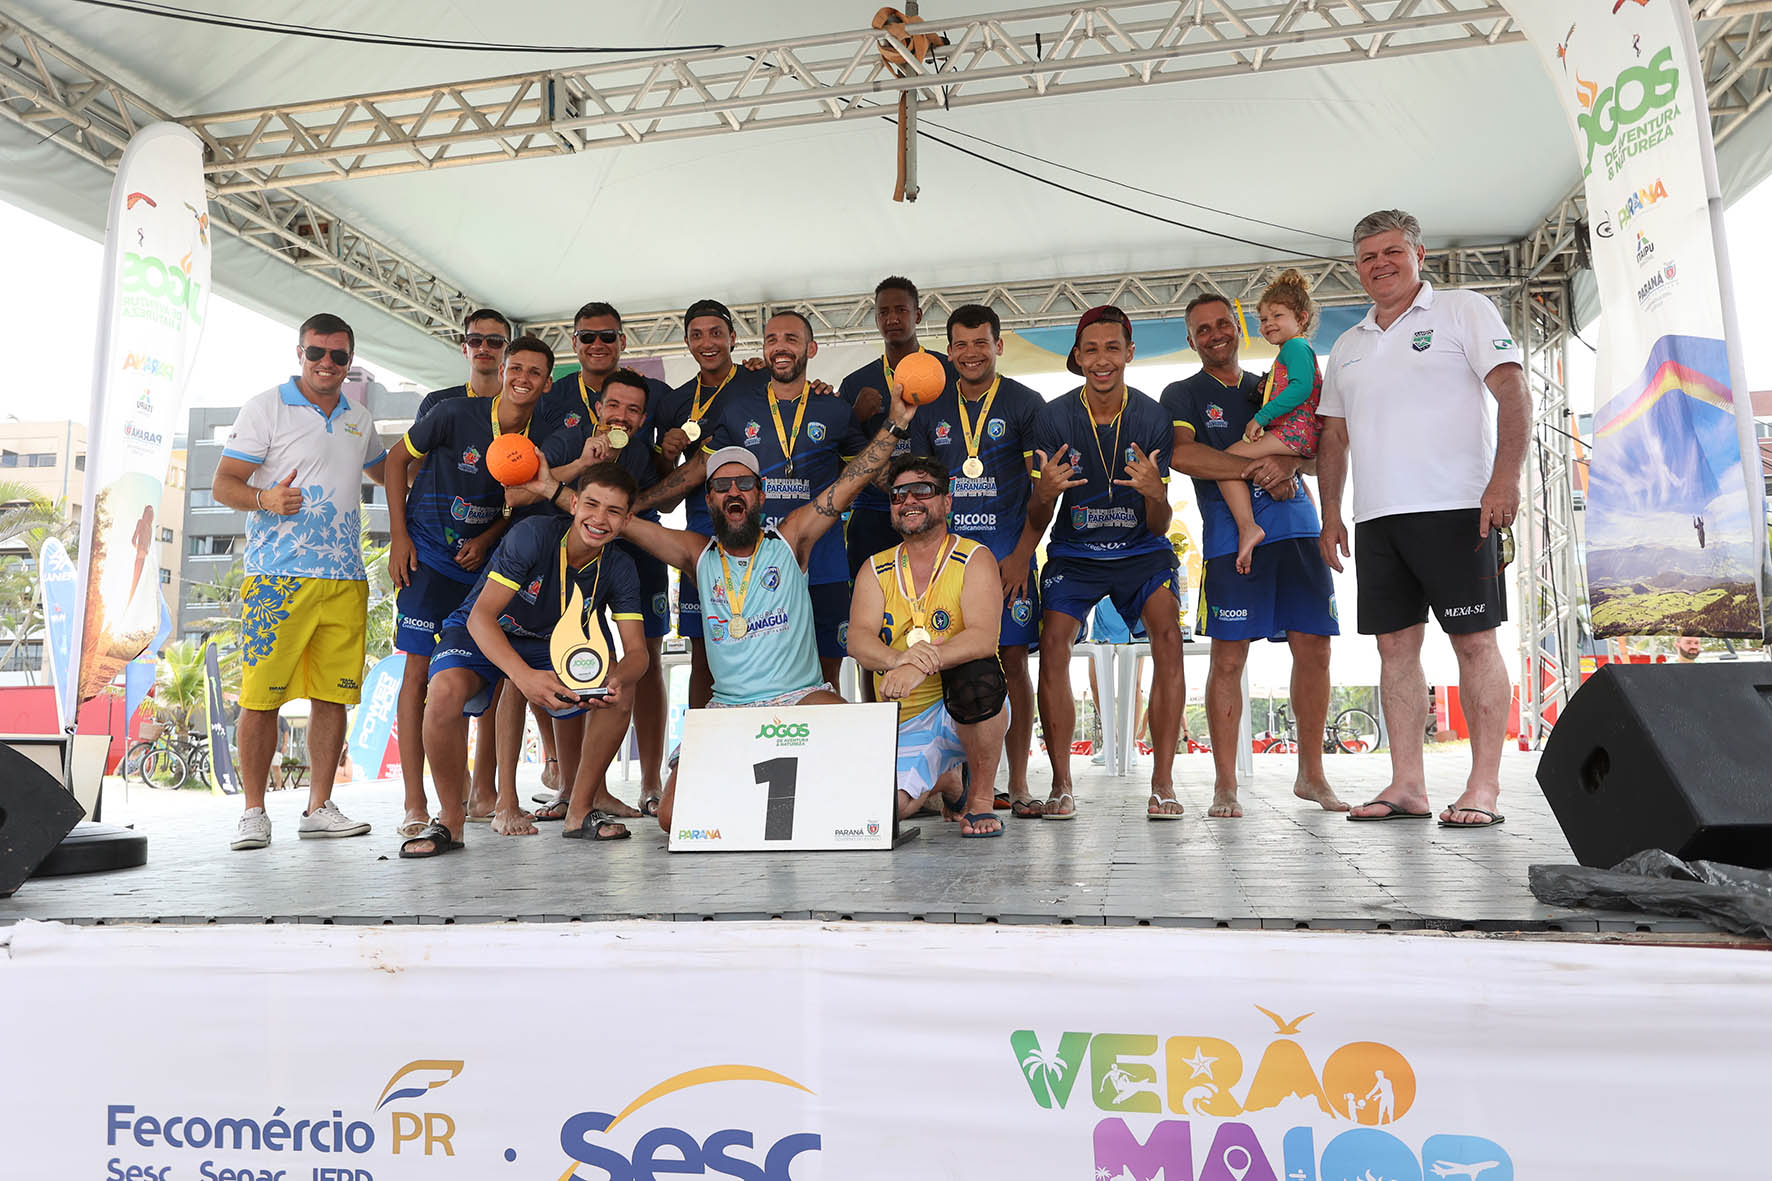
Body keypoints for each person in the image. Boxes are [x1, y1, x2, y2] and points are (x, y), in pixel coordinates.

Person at [605, 381, 919, 832]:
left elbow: (853, 481)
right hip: (729, 707)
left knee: (874, 795)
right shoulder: (697, 554)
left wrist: (895, 424)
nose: (733, 492)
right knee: (672, 819)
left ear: (760, 493)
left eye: (744, 484)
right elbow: (622, 522)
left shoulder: (790, 538)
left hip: (802, 698)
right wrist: (568, 491)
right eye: (721, 486)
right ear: (708, 498)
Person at [1317, 209, 1529, 829]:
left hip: (1459, 507)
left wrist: (1505, 478)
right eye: (1367, 258)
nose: (1380, 265)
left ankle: (1483, 786)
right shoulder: (1350, 344)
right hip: (1377, 518)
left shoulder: (1464, 309)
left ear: (1419, 254)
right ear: (1356, 268)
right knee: (1394, 650)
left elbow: (1512, 390)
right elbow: (1333, 438)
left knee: (1474, 642)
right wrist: (1331, 514)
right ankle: (1408, 784)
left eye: (1392, 252)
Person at [401, 463, 650, 855]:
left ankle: (579, 810)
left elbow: (638, 653)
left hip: (550, 643)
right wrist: (524, 676)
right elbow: (483, 617)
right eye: (592, 504)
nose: (599, 519)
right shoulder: (533, 535)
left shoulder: (619, 567)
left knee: (623, 692)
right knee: (443, 693)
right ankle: (450, 820)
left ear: (627, 519)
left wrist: (619, 676)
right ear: (573, 503)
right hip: (482, 628)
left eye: (614, 511)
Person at [1164, 292, 1347, 819]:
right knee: (1228, 658)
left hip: (1298, 531)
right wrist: (1257, 467)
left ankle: (1311, 774)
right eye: (1202, 329)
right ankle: (1225, 785)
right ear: (1191, 339)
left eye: (1223, 323)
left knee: (1314, 649)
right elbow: (1182, 456)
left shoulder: (1276, 382)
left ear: (1240, 327)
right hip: (1231, 541)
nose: (1215, 333)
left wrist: (1289, 466)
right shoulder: (1183, 392)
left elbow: (1317, 452)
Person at [212, 313, 388, 850]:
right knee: (260, 699)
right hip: (277, 578)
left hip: (344, 577)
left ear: (350, 361)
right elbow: (223, 484)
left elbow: (390, 472)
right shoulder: (265, 407)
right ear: (299, 353)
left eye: (338, 356)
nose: (326, 364)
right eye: (316, 353)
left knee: (332, 698)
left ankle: (318, 806)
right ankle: (253, 812)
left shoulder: (360, 417)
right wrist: (266, 498)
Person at [635, 310, 869, 688]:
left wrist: (891, 422)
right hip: (756, 565)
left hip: (823, 561)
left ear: (811, 347)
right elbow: (698, 468)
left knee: (827, 670)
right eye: (772, 339)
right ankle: (706, 747)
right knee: (728, 667)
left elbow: (865, 471)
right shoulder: (740, 410)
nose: (780, 346)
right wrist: (634, 506)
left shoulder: (834, 408)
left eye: (790, 339)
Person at [385, 333, 551, 837]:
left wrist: (489, 537)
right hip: (428, 559)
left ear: (547, 384)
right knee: (418, 676)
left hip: (483, 567)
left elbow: (521, 502)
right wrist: (398, 536)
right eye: (515, 367)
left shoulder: (541, 437)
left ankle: (485, 793)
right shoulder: (457, 413)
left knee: (493, 675)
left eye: (534, 373)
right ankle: (417, 802)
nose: (522, 378)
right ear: (502, 369)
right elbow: (395, 460)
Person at [1027, 305, 1185, 820]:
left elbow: (1160, 525)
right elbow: (1038, 515)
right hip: (1076, 552)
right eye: (1091, 350)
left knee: (1167, 635)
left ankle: (1162, 783)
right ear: (1077, 356)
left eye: (1112, 348)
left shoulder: (1153, 418)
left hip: (1141, 549)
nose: (1102, 360)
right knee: (1054, 642)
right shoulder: (1052, 418)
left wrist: (1155, 493)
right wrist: (1046, 491)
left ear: (1129, 353)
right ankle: (1061, 784)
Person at [530, 304, 674, 816]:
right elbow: (529, 482)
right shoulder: (566, 424)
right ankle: (573, 787)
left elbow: (668, 492)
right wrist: (578, 468)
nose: (624, 416)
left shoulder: (646, 429)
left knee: (643, 662)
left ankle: (651, 780)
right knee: (566, 658)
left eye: (608, 336)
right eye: (588, 337)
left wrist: (671, 458)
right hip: (573, 562)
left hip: (637, 556)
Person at [912, 304, 1045, 815]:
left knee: (1010, 661)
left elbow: (1042, 492)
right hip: (944, 565)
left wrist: (1020, 557)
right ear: (948, 351)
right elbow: (920, 488)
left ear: (998, 346)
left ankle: (1017, 782)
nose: (971, 353)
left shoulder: (1025, 403)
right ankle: (956, 783)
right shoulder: (930, 409)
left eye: (981, 343)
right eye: (961, 345)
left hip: (1008, 558)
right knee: (941, 659)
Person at [849, 456, 1009, 837]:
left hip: (965, 711)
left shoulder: (974, 557)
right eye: (898, 495)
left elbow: (983, 636)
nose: (909, 501)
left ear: (947, 502)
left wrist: (919, 665)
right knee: (883, 811)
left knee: (979, 674)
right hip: (907, 718)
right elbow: (858, 639)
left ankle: (981, 800)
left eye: (922, 490)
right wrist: (897, 658)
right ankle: (949, 782)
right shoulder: (876, 567)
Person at [654, 299, 770, 715]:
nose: (708, 343)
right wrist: (667, 456)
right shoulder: (674, 402)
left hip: (755, 529)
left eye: (716, 333)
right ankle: (699, 747)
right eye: (698, 334)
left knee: (767, 637)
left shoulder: (760, 382)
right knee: (705, 648)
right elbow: (665, 494)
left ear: (733, 338)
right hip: (703, 531)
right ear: (686, 341)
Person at [1211, 270, 1326, 574]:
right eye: (1263, 319)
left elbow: (1301, 387)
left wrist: (1261, 417)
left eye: (1277, 315)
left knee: (1225, 461)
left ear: (1301, 318)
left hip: (1294, 431)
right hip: (1296, 432)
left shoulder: (1295, 347)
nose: (1268, 324)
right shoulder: (1289, 351)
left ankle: (1248, 526)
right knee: (1236, 462)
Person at [838, 277, 948, 590]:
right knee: (870, 601)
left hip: (932, 506)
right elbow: (837, 452)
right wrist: (856, 417)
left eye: (901, 310)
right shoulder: (856, 383)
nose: (892, 319)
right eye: (883, 312)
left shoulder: (946, 371)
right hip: (874, 509)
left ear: (918, 315)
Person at [414, 308, 511, 418]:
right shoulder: (435, 404)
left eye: (494, 340)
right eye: (475, 340)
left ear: (509, 352)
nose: (483, 348)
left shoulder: (527, 406)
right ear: (465, 349)